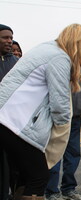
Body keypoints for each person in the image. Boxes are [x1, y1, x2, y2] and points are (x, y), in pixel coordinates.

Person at [0, 23, 81, 200]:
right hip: (15, 122)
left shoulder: (45, 49)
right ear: (78, 45)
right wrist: (61, 126)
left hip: (7, 118)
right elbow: (60, 103)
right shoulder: (59, 58)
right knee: (39, 175)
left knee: (25, 174)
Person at [45, 63, 81, 200]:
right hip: (58, 118)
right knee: (55, 153)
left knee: (73, 154)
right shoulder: (60, 61)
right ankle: (51, 191)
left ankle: (68, 188)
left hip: (76, 118)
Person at [0, 24, 19, 200]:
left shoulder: (15, 62)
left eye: (11, 38)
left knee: (9, 164)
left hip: (9, 122)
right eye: (5, 37)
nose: (9, 41)